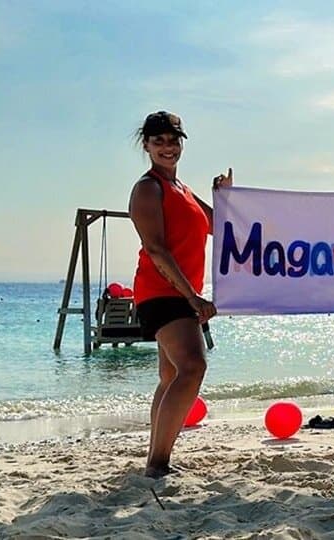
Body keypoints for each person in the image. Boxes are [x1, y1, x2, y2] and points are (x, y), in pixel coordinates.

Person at [128, 111, 232, 478]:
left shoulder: (182, 190)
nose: (168, 147)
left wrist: (225, 195)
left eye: (174, 141)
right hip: (162, 291)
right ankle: (158, 464)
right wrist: (192, 297)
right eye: (159, 142)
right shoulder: (148, 188)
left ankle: (154, 459)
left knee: (171, 376)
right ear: (147, 146)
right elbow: (156, 249)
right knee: (193, 367)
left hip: (180, 292)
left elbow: (219, 227)